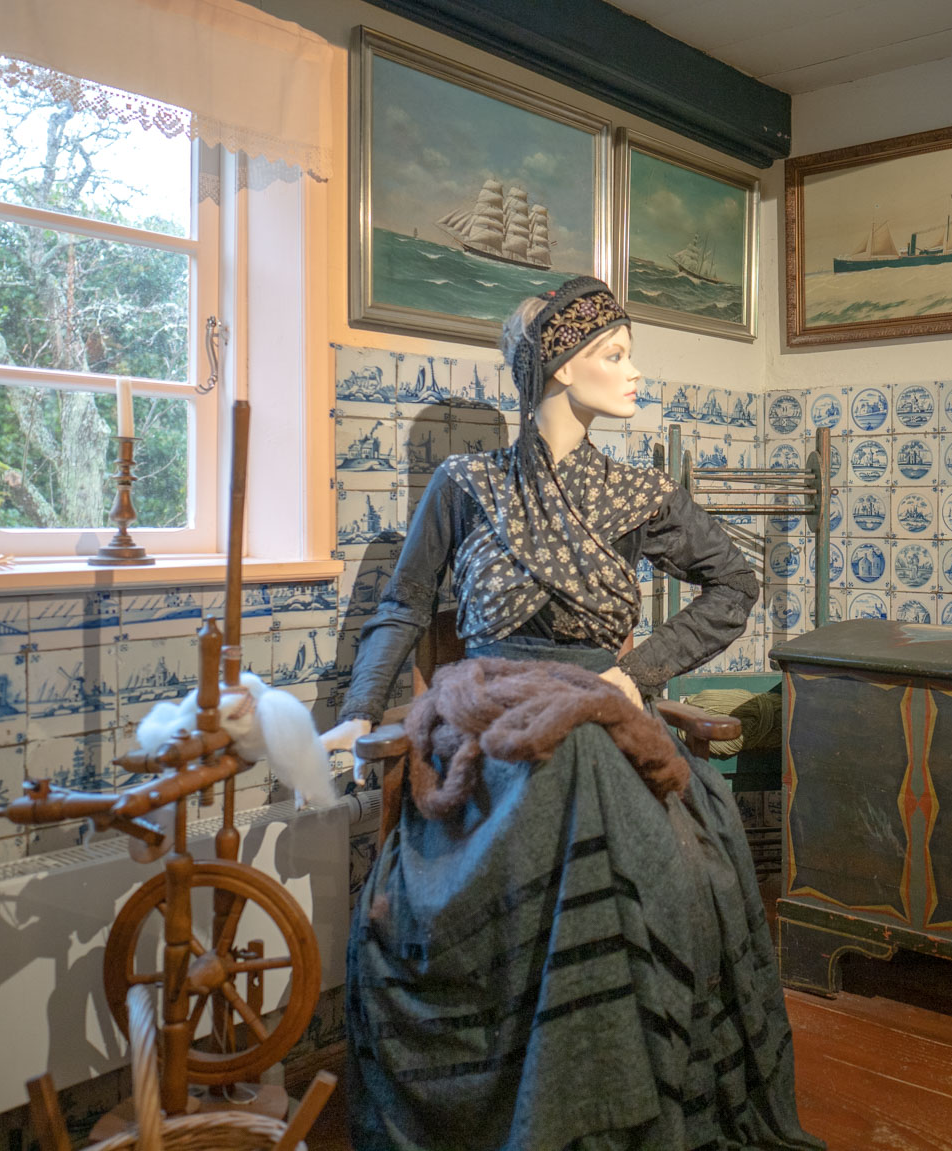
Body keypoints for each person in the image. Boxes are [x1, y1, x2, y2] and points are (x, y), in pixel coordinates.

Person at [321, 276, 822, 1151]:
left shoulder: (634, 494)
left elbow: (734, 582)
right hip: (491, 714)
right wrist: (359, 710)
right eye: (614, 354)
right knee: (572, 764)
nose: (635, 372)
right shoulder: (467, 484)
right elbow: (403, 606)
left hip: (604, 707)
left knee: (609, 777)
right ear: (558, 366)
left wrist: (640, 671)